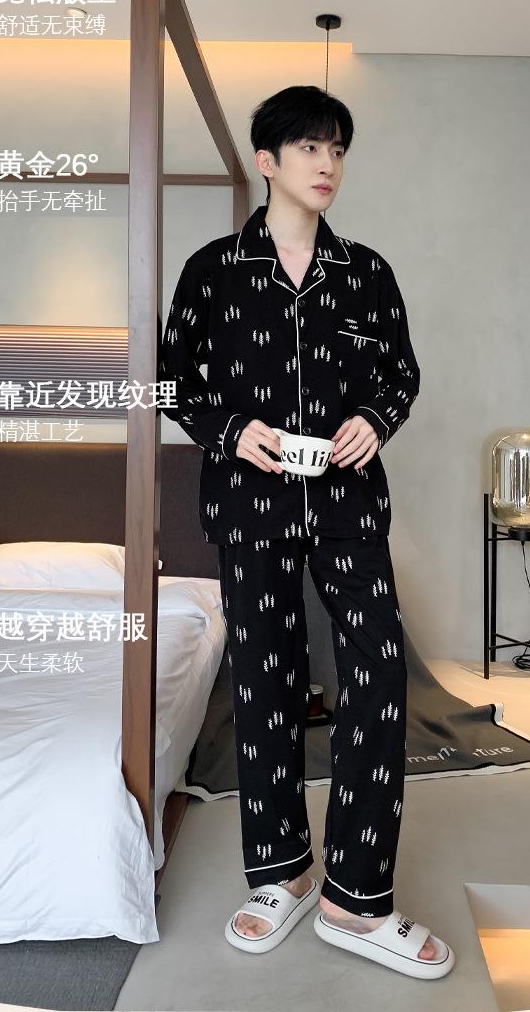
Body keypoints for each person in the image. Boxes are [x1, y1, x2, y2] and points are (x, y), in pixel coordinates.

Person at [159, 85, 455, 980]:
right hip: (250, 503)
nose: (328, 164)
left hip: (347, 503)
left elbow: (400, 374)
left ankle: (355, 899)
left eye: (337, 149)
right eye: (310, 148)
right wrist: (230, 431)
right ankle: (281, 873)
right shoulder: (213, 270)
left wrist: (374, 418)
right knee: (266, 680)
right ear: (268, 161)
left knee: (378, 675)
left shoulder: (367, 272)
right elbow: (173, 381)